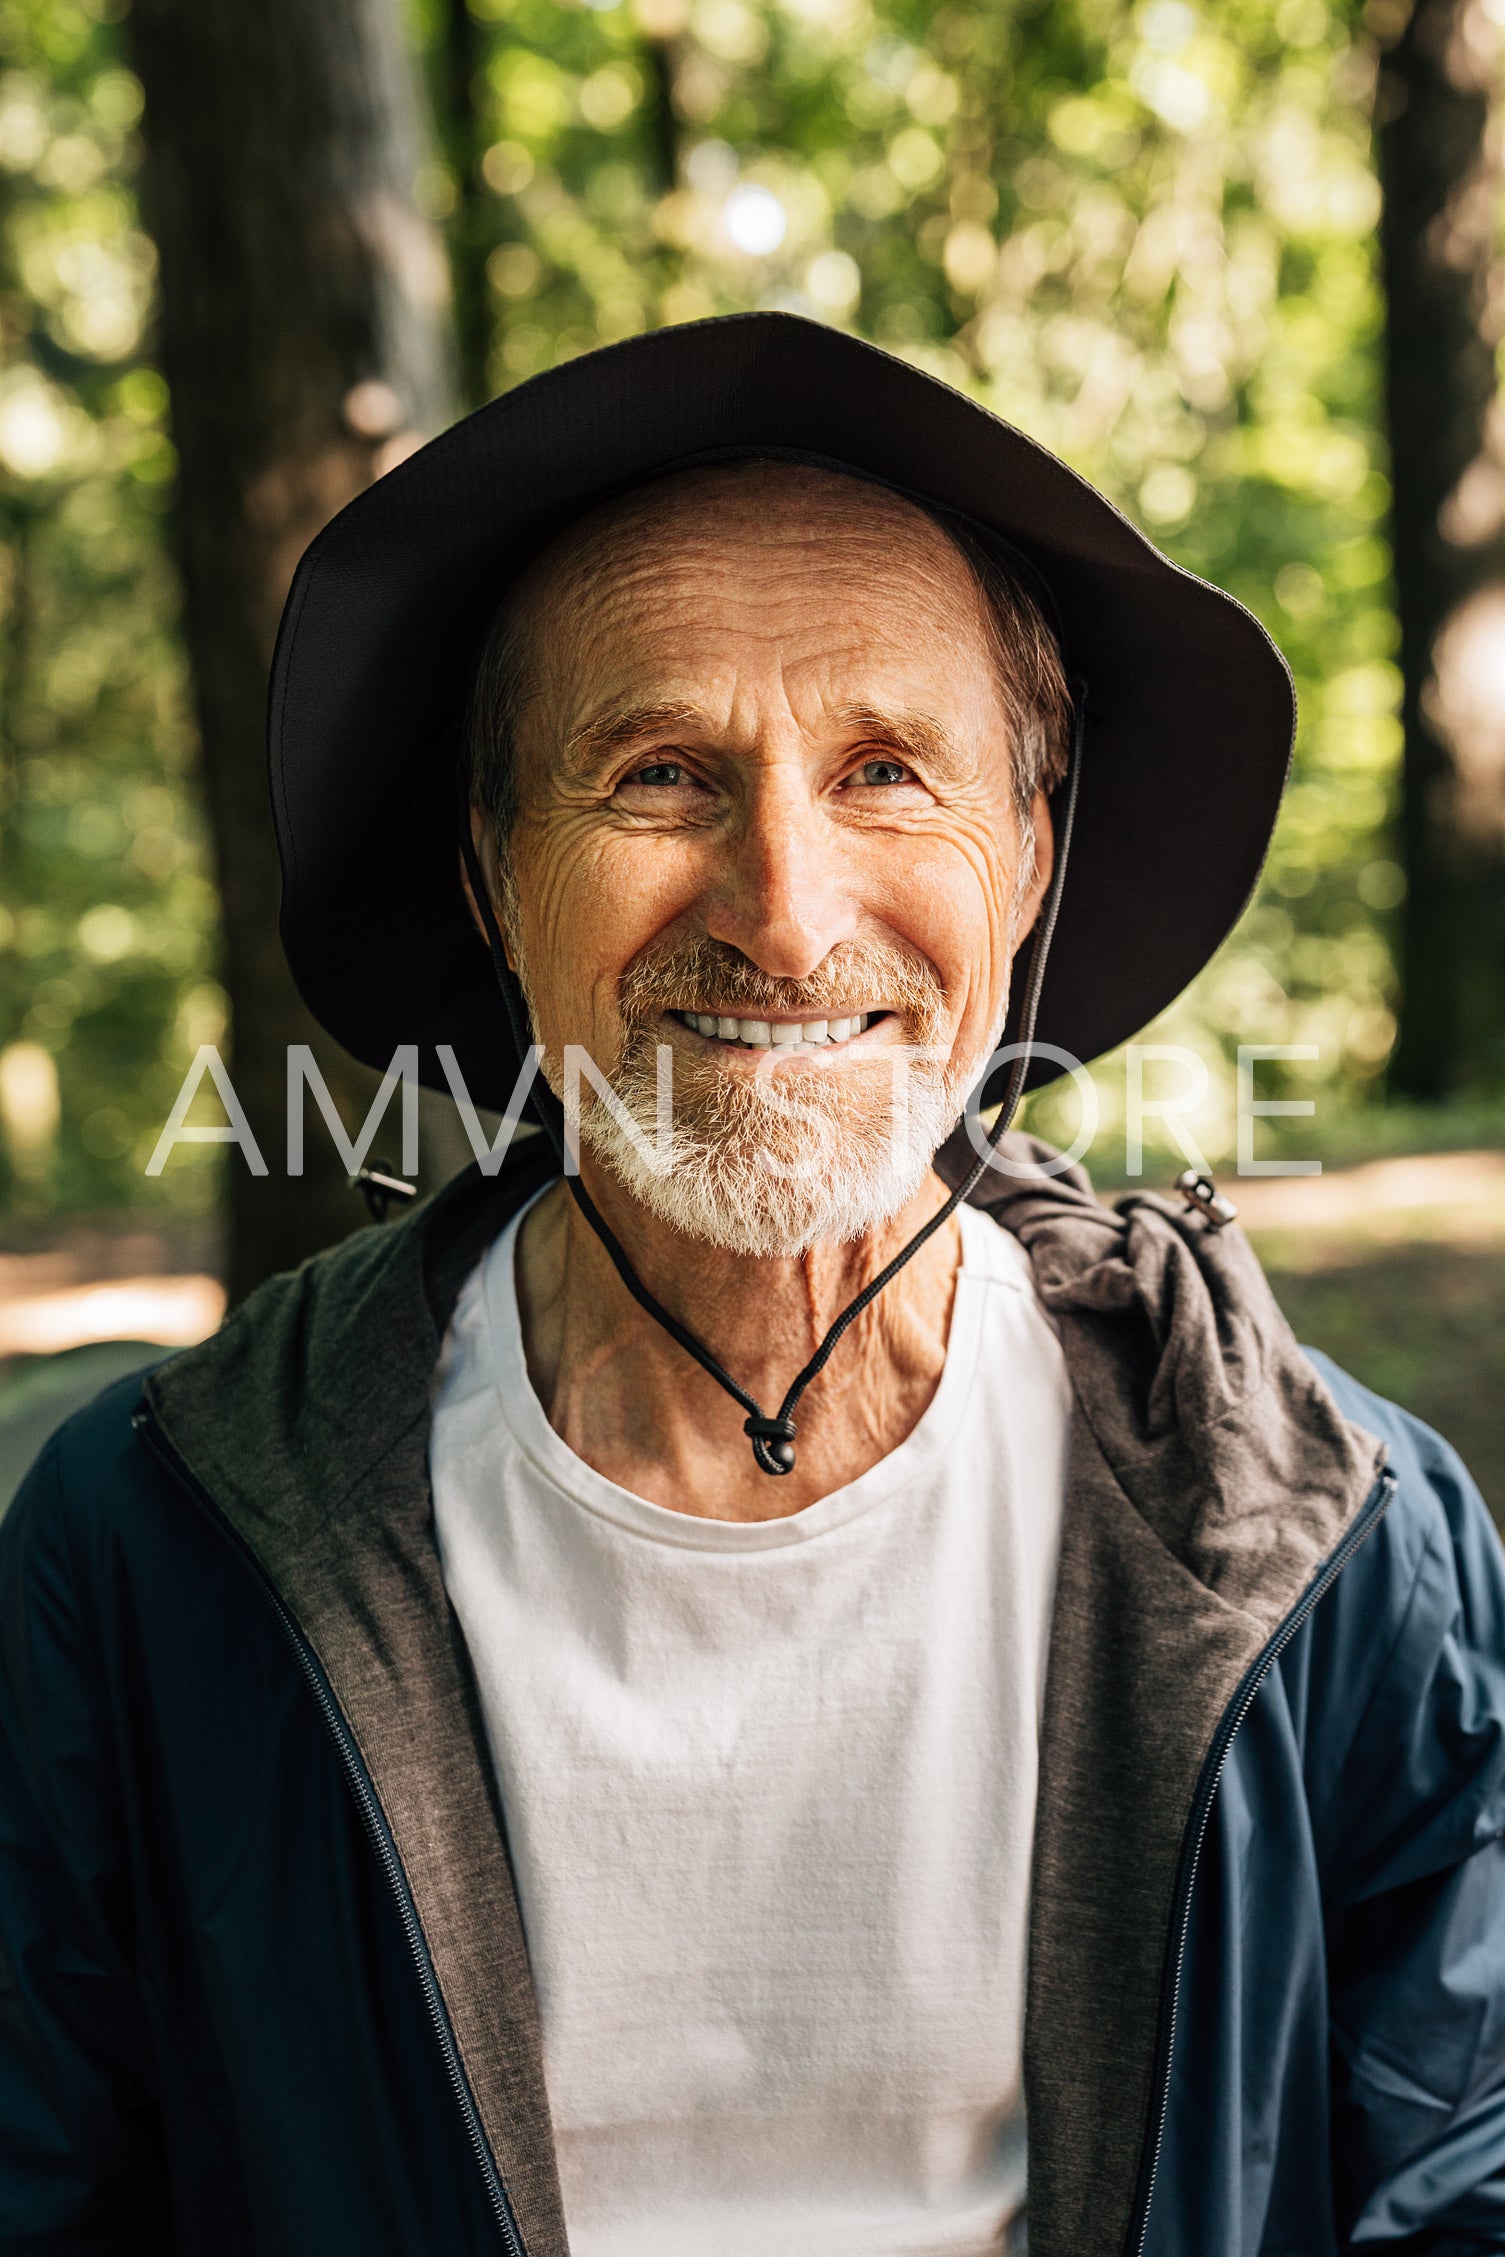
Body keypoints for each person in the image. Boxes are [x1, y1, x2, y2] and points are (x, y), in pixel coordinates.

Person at [2, 314, 1503, 2257]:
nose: (785, 912)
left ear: (1029, 855)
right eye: (656, 776)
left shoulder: (1332, 1542)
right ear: (490, 873)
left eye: (889, 770)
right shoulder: (149, 1550)